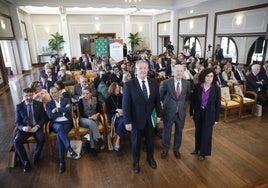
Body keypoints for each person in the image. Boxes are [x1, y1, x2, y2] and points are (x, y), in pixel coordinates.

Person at [123, 60, 162, 174]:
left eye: (145, 68)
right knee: (136, 143)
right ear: (136, 70)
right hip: (136, 121)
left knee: (150, 142)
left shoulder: (154, 82)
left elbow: (157, 101)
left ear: (148, 70)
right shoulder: (129, 85)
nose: (143, 70)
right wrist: (127, 121)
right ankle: (136, 162)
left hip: (150, 120)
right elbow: (126, 105)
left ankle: (150, 159)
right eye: (140, 68)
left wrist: (159, 115)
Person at [159, 65, 191, 159]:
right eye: (177, 71)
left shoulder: (187, 83)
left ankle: (176, 149)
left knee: (179, 131)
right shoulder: (165, 83)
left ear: (183, 72)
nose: (179, 73)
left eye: (181, 71)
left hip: (181, 112)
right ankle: (165, 149)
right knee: (166, 131)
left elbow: (187, 97)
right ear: (173, 72)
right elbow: (161, 96)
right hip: (168, 112)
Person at [190, 68, 221, 161]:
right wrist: (191, 112)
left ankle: (203, 153)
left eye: (211, 76)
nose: (209, 78)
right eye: (207, 76)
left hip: (209, 113)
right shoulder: (198, 86)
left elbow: (217, 104)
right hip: (199, 112)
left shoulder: (216, 88)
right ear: (204, 76)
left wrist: (216, 118)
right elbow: (193, 101)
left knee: (206, 133)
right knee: (198, 131)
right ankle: (197, 149)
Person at [46, 87, 78, 173]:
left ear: (59, 92)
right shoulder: (48, 104)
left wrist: (57, 110)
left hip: (67, 123)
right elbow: (50, 116)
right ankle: (70, 150)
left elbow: (69, 109)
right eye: (52, 93)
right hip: (56, 124)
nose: (54, 94)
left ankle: (62, 162)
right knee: (59, 128)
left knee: (59, 135)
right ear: (50, 94)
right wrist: (63, 112)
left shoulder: (66, 100)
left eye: (55, 92)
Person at [14, 88, 46, 173]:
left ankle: (36, 155)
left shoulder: (39, 104)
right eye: (26, 96)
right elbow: (17, 122)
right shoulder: (19, 106)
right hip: (25, 128)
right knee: (17, 141)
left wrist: (38, 126)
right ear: (23, 96)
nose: (29, 97)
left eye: (30, 95)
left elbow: (43, 118)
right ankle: (25, 162)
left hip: (36, 127)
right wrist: (23, 128)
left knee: (41, 138)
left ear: (33, 94)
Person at [78, 86, 105, 157]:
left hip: (95, 118)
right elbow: (81, 113)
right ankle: (99, 139)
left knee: (91, 128)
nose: (85, 95)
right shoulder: (81, 101)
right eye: (84, 93)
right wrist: (90, 117)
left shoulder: (95, 99)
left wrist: (97, 115)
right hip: (84, 119)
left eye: (87, 93)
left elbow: (99, 110)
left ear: (91, 93)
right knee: (91, 123)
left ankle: (93, 148)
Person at [105, 82, 126, 151]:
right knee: (122, 122)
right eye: (117, 88)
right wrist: (116, 111)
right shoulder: (108, 98)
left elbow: (124, 107)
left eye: (119, 88)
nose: (118, 89)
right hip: (112, 115)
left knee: (123, 121)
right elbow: (109, 111)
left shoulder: (121, 96)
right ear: (113, 88)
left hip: (121, 115)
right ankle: (117, 141)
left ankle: (117, 139)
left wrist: (122, 111)